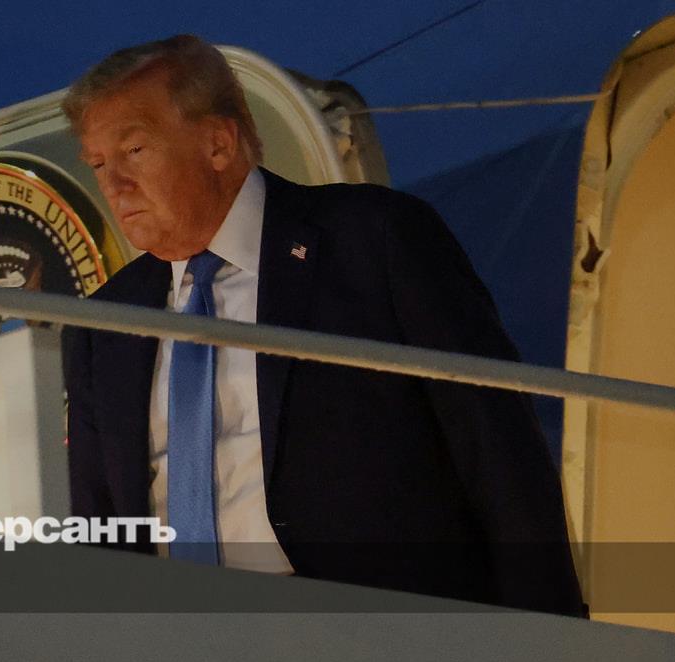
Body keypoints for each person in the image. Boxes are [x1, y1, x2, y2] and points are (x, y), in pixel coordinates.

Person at [60, 34, 583, 615]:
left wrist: (553, 634)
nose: (114, 184)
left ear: (218, 143)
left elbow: (498, 452)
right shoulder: (101, 325)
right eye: (99, 164)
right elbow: (99, 530)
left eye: (134, 150)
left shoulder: (374, 240)